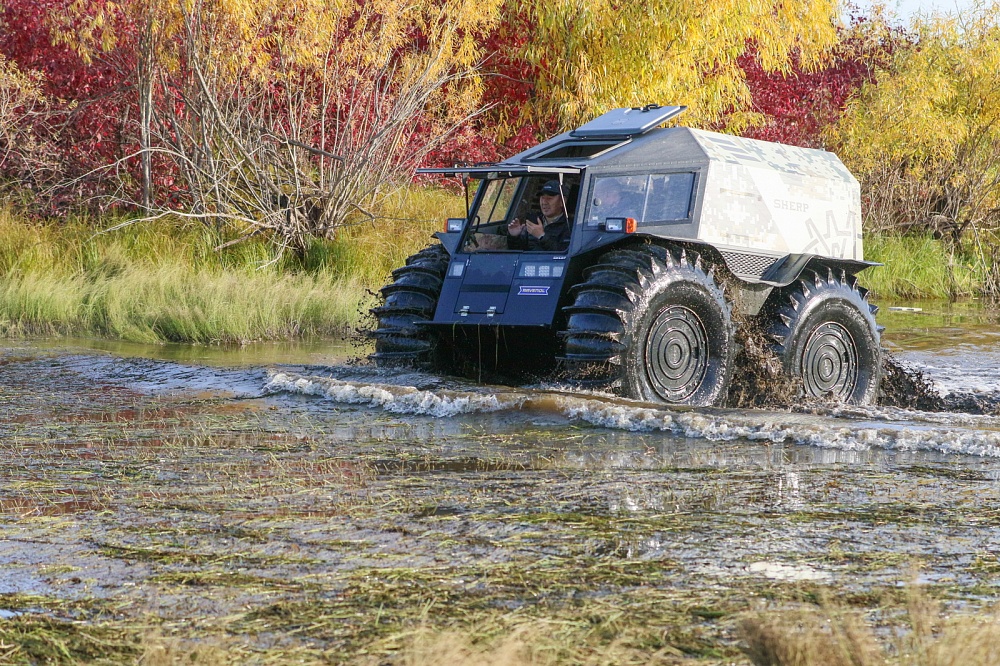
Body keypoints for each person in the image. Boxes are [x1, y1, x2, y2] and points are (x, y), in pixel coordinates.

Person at [504, 180, 572, 251]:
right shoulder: (532, 221)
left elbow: (564, 253)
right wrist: (514, 237)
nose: (544, 202)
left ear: (562, 201)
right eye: (542, 198)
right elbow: (517, 252)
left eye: (549, 198)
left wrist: (542, 236)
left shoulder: (569, 226)